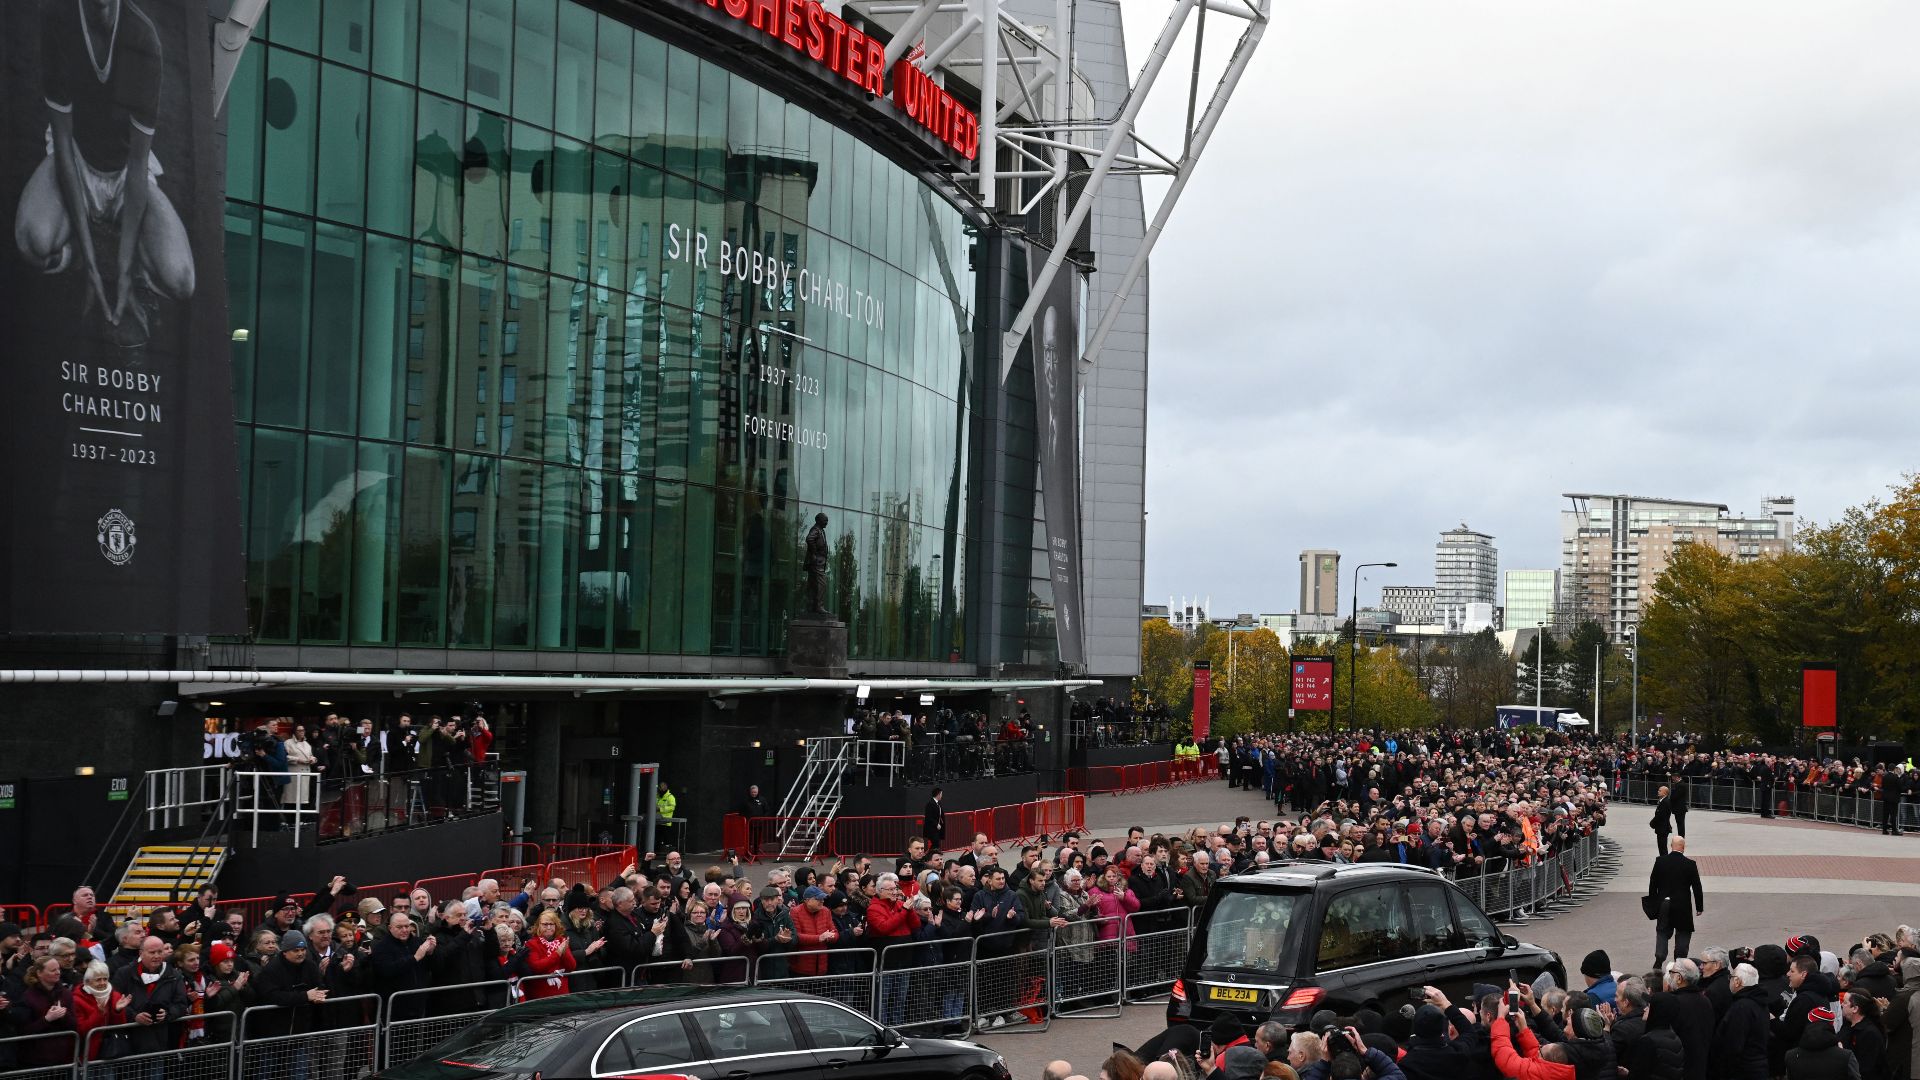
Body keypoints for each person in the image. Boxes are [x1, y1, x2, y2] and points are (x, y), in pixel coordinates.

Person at [14, 0, 198, 347]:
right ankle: (79, 253)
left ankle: (129, 259)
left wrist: (125, 273)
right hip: (76, 158)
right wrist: (93, 268)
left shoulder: (142, 37)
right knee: (31, 242)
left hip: (127, 173)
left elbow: (138, 163)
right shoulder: (59, 18)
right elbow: (64, 144)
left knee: (182, 280)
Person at [1649, 837, 1705, 967]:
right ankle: (1679, 961)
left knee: (1662, 930)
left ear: (1671, 846)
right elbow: (1697, 886)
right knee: (1683, 932)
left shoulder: (1660, 861)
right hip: (1682, 906)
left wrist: (1654, 902)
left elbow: (1653, 883)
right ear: (1683, 847)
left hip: (1664, 904)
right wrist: (1699, 906)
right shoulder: (1690, 864)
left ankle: (1660, 956)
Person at [1714, 963, 1770, 1080]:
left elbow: (1733, 1045)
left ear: (1737, 982)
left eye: (1731, 977)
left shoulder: (1741, 1007)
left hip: (1743, 1071)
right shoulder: (1760, 1003)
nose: (1729, 981)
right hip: (1758, 1068)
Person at [1651, 785, 1675, 855]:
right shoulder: (1663, 801)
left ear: (1665, 793)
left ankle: (1664, 862)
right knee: (1661, 847)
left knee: (1662, 848)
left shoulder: (1665, 802)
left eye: (1660, 791)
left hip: (1663, 828)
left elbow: (1660, 815)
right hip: (1662, 828)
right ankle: (1664, 861)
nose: (1658, 791)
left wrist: (1652, 823)